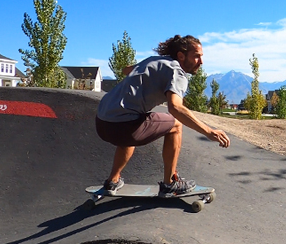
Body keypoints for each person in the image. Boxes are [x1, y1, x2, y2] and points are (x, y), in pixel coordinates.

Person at [95, 34, 230, 195]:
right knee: (175, 124)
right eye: (197, 57)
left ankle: (113, 181)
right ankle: (170, 183)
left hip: (102, 122)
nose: (201, 62)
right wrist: (209, 131)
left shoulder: (153, 61)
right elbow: (175, 108)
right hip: (123, 126)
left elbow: (126, 70)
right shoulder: (177, 72)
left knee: (132, 128)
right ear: (181, 55)